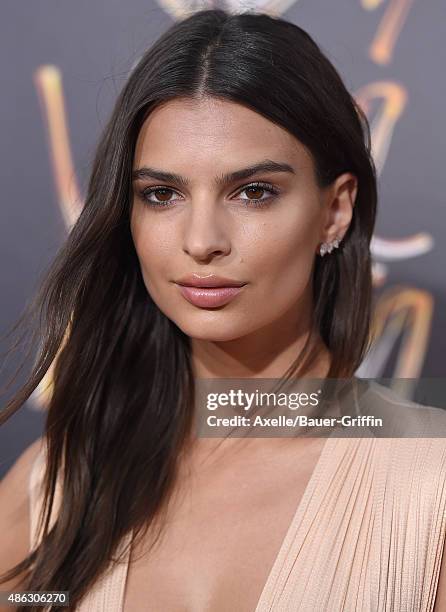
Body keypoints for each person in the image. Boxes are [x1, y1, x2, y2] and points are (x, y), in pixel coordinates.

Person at [1, 8, 445, 612]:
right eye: (162, 195)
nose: (202, 239)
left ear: (335, 211)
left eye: (254, 192)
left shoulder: (430, 490)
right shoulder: (52, 484)